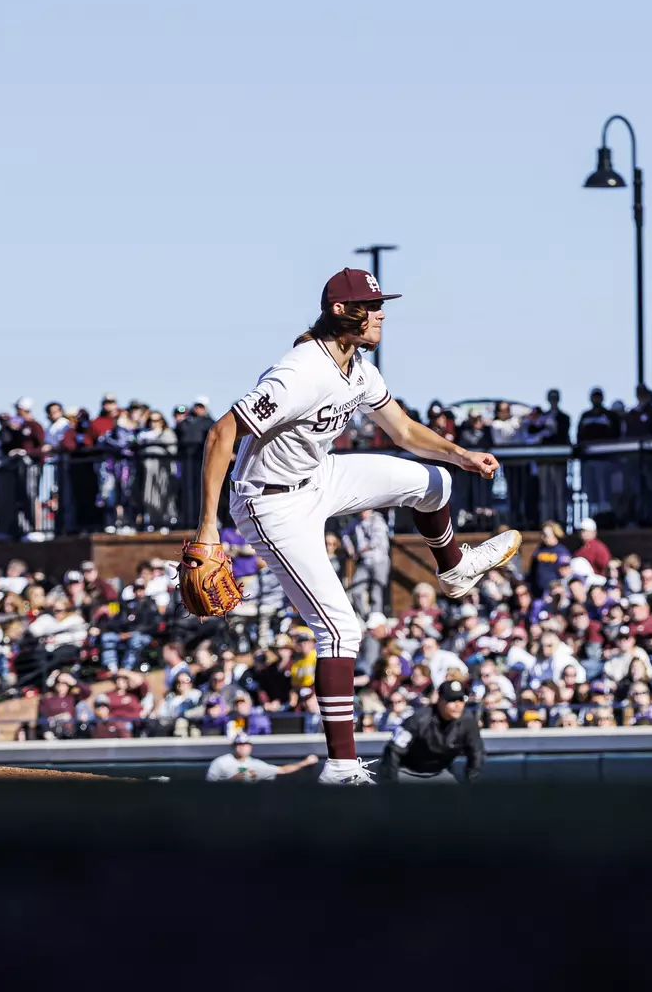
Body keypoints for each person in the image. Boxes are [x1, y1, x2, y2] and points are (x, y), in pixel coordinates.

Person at [190, 268, 521, 786]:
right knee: (341, 629)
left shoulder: (358, 369)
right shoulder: (302, 371)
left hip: (319, 476)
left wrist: (460, 455)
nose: (381, 313)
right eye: (371, 305)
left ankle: (454, 569)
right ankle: (341, 767)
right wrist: (208, 527)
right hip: (270, 503)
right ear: (342, 312)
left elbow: (406, 430)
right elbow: (222, 433)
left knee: (434, 482)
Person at [379, 679, 485, 783]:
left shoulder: (468, 721)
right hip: (407, 772)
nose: (457, 705)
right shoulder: (418, 720)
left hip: (439, 773)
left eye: (461, 699)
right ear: (440, 701)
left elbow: (476, 753)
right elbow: (393, 750)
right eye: (451, 700)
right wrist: (391, 784)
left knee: (459, 798)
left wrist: (471, 783)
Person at [205, 732, 318, 782]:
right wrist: (231, 781)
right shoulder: (221, 762)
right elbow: (208, 788)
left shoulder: (256, 764)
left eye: (246, 744)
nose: (243, 747)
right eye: (239, 744)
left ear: (250, 747)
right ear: (234, 746)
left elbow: (282, 770)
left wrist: (306, 762)